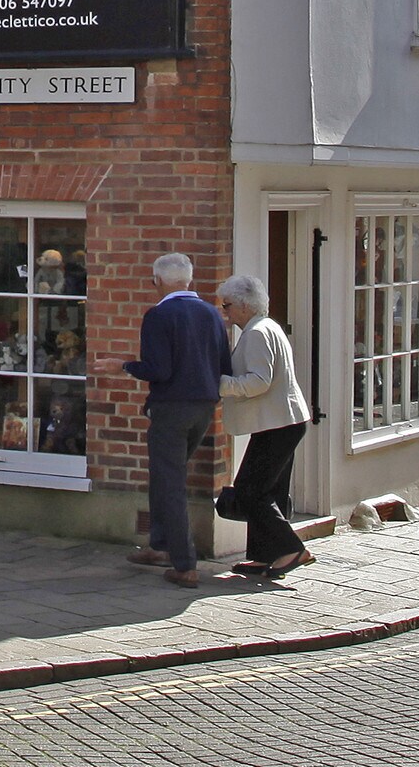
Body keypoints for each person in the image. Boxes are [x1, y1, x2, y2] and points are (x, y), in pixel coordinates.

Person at [122, 251, 232, 586]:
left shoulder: (159, 315)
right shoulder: (212, 314)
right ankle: (160, 545)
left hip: (171, 408)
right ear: (188, 279)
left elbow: (159, 369)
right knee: (165, 477)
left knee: (169, 483)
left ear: (158, 281)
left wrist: (125, 366)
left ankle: (184, 563)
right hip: (204, 408)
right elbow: (224, 365)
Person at [216, 273, 314, 579]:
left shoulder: (257, 332)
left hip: (279, 422)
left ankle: (290, 549)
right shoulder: (266, 327)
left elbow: (260, 381)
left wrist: (221, 384)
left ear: (245, 305)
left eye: (228, 305)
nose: (225, 311)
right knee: (269, 489)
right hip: (282, 420)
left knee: (250, 490)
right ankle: (263, 556)